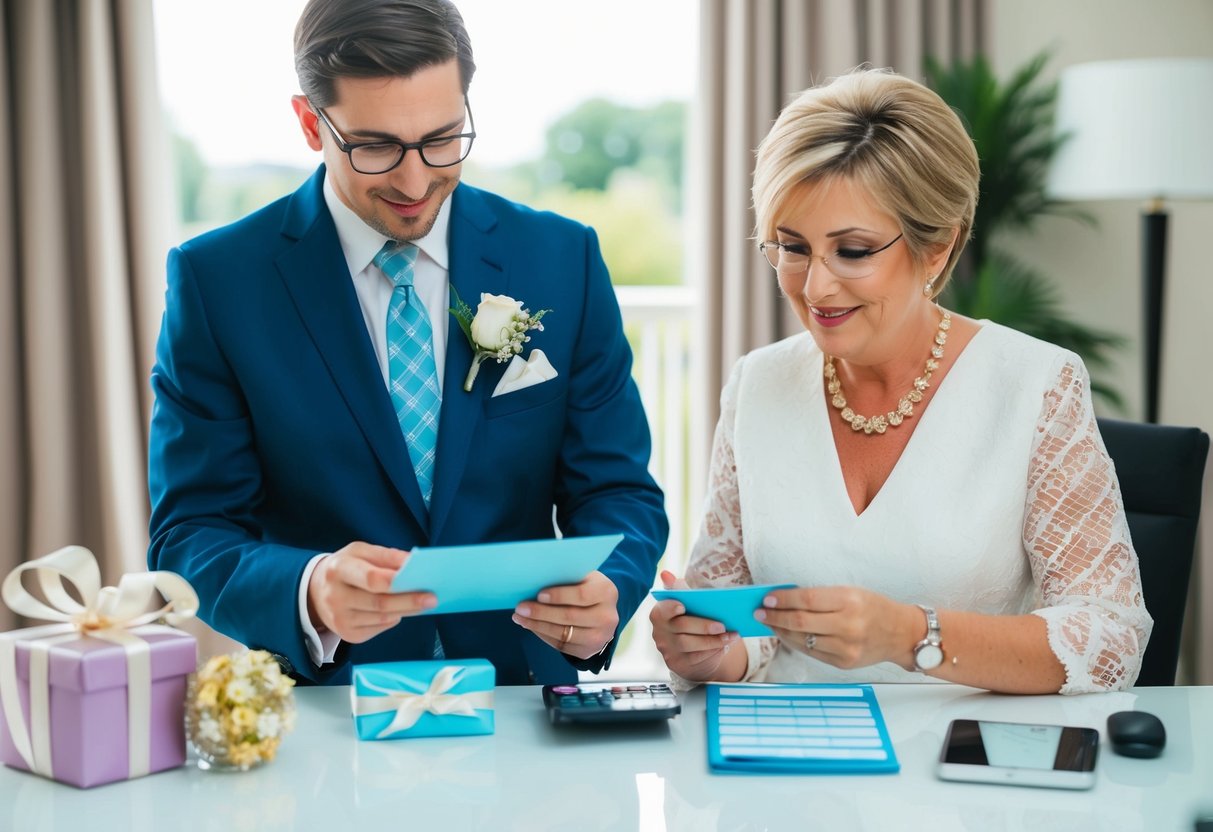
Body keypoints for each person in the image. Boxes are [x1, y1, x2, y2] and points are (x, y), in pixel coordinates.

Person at [147, 0, 667, 686]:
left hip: (525, 703)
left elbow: (619, 490)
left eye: (442, 138)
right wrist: (310, 588)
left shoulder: (561, 258)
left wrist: (610, 586)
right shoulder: (219, 281)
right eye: (376, 147)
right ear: (311, 123)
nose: (415, 182)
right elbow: (191, 529)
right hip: (330, 711)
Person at [650, 68, 1152, 695]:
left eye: (853, 251)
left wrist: (913, 636)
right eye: (792, 246)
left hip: (965, 766)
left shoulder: (1037, 385)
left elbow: (1110, 638)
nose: (815, 287)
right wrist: (704, 654)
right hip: (784, 763)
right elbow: (735, 625)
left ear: (938, 247)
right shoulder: (758, 384)